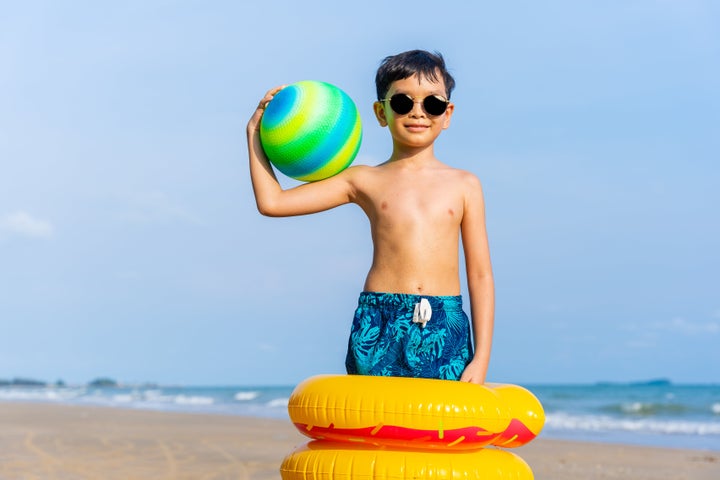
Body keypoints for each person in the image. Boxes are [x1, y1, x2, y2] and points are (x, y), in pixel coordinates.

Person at [246, 50, 494, 384]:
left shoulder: (465, 185)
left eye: (432, 103)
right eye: (403, 102)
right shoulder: (362, 180)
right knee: (374, 427)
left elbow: (479, 275)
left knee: (436, 431)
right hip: (380, 318)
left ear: (447, 114)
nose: (418, 112)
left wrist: (481, 358)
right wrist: (254, 134)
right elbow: (272, 202)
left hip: (443, 321)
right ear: (381, 112)